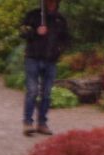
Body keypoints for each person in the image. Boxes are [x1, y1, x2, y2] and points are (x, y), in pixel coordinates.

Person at [19, 0, 69, 136]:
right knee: (32, 91)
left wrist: (59, 50)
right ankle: (28, 123)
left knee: (46, 94)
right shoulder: (33, 15)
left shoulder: (60, 19)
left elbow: (65, 39)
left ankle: (42, 123)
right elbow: (22, 32)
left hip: (50, 61)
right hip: (33, 58)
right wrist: (35, 31)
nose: (51, 2)